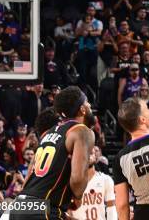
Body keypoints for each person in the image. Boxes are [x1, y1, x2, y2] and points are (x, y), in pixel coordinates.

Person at [13, 86, 95, 219]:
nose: (90, 105)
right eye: (87, 102)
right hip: (43, 209)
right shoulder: (82, 131)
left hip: (20, 206)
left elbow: (27, 179)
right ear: (82, 109)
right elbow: (78, 184)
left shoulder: (48, 134)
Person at [70, 151, 117, 220]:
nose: (88, 156)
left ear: (95, 156)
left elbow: (111, 209)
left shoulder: (106, 180)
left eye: (91, 153)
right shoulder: (69, 181)